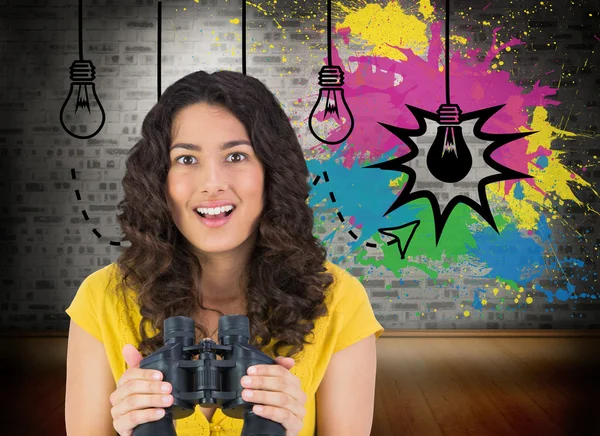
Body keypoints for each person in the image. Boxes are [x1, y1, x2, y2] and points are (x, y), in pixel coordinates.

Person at [64, 70, 384, 436]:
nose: (213, 183)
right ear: (158, 178)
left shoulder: (339, 300)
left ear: (271, 170)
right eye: (186, 159)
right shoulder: (102, 298)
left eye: (236, 156)